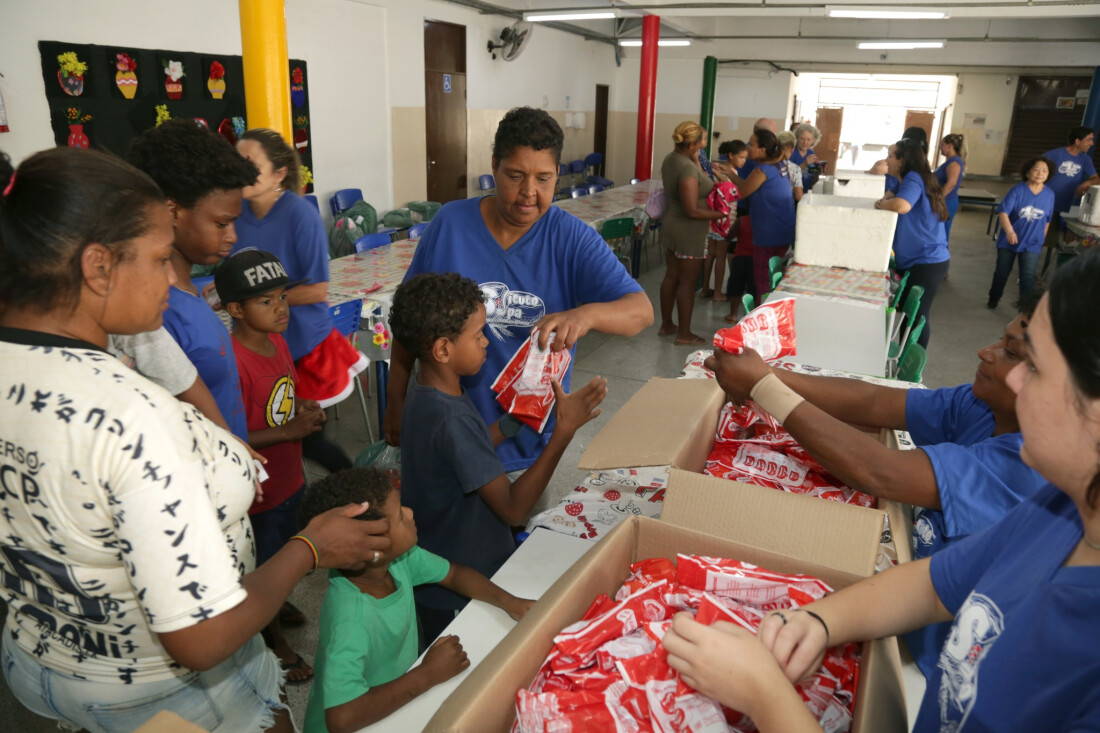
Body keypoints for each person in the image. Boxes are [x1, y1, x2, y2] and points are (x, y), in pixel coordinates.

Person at [0, 147, 389, 733]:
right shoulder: (132, 418)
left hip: (49, 659)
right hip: (165, 693)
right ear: (98, 267)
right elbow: (201, 638)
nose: (173, 280)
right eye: (160, 260)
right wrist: (309, 548)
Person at [662, 248, 1100, 732]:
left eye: (1033, 367)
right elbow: (934, 583)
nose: (1011, 374)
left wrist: (765, 696)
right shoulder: (1060, 508)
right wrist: (818, 621)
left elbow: (883, 471)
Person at [702, 292, 1048, 678]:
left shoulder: (1027, 466)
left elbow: (878, 471)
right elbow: (872, 402)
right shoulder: (982, 405)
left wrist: (765, 386)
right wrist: (767, 375)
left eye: (1012, 354)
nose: (986, 352)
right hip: (900, 603)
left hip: (927, 663)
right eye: (1002, 341)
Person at [382, 107, 652, 471]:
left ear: (558, 174)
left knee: (514, 520)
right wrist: (395, 401)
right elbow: (407, 324)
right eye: (515, 176)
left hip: (523, 445)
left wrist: (586, 314)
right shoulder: (451, 224)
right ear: (493, 166)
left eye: (543, 179)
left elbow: (640, 311)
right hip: (441, 434)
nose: (529, 193)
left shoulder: (571, 239)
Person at [388, 273, 605, 643]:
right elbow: (513, 510)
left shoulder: (429, 390)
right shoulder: (451, 417)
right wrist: (564, 432)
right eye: (477, 335)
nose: (487, 341)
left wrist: (507, 425)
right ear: (443, 349)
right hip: (463, 584)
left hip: (443, 566)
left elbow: (463, 455)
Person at [299, 467, 533, 732]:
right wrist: (426, 674)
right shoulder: (351, 620)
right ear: (371, 548)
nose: (410, 513)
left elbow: (453, 574)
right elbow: (342, 718)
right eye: (399, 516)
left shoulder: (398, 560)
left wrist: (508, 601)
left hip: (391, 705)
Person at [216, 248, 328, 685]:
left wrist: (302, 407)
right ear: (236, 309)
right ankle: (273, 640)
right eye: (266, 302)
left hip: (290, 478)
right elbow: (231, 437)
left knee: (285, 551)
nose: (281, 308)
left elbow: (282, 397)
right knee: (260, 570)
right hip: (259, 493)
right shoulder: (232, 363)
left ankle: (277, 603)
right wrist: (289, 432)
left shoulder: (277, 341)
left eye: (282, 296)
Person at [235, 128, 365, 473]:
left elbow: (317, 290)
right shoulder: (238, 213)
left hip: (303, 345)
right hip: (261, 345)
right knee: (275, 434)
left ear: (279, 174)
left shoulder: (300, 215)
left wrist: (256, 300)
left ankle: (357, 492)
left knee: (308, 438)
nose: (238, 170)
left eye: (250, 163)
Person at [127, 118, 259, 441]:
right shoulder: (158, 310)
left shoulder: (189, 292)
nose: (233, 236)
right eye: (221, 224)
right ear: (172, 212)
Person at [875, 138, 950, 348]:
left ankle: (908, 370)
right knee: (909, 316)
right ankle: (902, 367)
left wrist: (883, 203)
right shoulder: (909, 180)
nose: (886, 160)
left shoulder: (913, 178)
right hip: (920, 260)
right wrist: (887, 197)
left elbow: (902, 205)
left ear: (901, 160)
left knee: (916, 317)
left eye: (891, 155)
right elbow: (893, 196)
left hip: (927, 261)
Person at [659, 121, 727, 345]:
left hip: (672, 226)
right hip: (688, 232)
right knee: (687, 282)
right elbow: (692, 210)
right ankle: (684, 334)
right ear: (693, 144)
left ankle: (667, 324)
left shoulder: (673, 159)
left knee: (671, 276)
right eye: (702, 142)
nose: (704, 145)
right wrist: (721, 215)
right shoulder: (687, 169)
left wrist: (696, 159)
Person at [730, 130, 796, 297]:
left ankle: (764, 319)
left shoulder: (763, 170)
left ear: (763, 150)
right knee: (773, 280)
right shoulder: (778, 166)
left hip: (769, 236)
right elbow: (748, 186)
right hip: (783, 232)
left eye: (751, 144)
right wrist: (729, 174)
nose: (747, 147)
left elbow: (742, 192)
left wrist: (721, 183)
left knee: (762, 283)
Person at [988, 156, 1055, 309]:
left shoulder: (1050, 194)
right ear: (1028, 173)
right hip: (1009, 240)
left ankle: (1025, 308)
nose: (1040, 173)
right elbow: (1003, 212)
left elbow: (1048, 219)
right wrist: (1010, 231)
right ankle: (994, 298)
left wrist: (1042, 238)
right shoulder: (1018, 190)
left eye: (1044, 171)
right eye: (1036, 169)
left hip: (1032, 242)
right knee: (1002, 272)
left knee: (1027, 277)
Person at [1042, 125, 1099, 249]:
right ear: (1077, 141)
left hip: (1061, 209)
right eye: (1089, 139)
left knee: (1051, 243)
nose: (1092, 143)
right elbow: (1033, 174)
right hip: (1043, 206)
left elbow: (1096, 179)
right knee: (1036, 241)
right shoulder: (1053, 155)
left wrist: (1086, 183)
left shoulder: (1085, 160)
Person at [718, 141, 757, 323]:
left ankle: (733, 314)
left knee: (735, 288)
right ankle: (753, 316)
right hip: (757, 260)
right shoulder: (763, 224)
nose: (744, 160)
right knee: (754, 289)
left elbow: (728, 236)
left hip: (740, 259)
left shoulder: (742, 221)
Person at [934, 133, 966, 239]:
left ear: (950, 146)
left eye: (942, 145)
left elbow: (951, 183)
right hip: (944, 201)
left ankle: (942, 254)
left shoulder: (954, 162)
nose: (940, 148)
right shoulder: (949, 161)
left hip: (946, 201)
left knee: (942, 232)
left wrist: (938, 199)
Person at [790, 122, 821, 191]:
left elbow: (814, 177)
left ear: (813, 141)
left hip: (807, 191)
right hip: (792, 192)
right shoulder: (791, 152)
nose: (805, 142)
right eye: (802, 139)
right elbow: (788, 176)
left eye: (808, 140)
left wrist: (819, 172)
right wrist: (804, 164)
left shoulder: (812, 154)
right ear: (797, 138)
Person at [777, 131, 805, 203]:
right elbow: (798, 196)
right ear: (792, 149)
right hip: (785, 206)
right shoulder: (795, 169)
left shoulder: (766, 164)